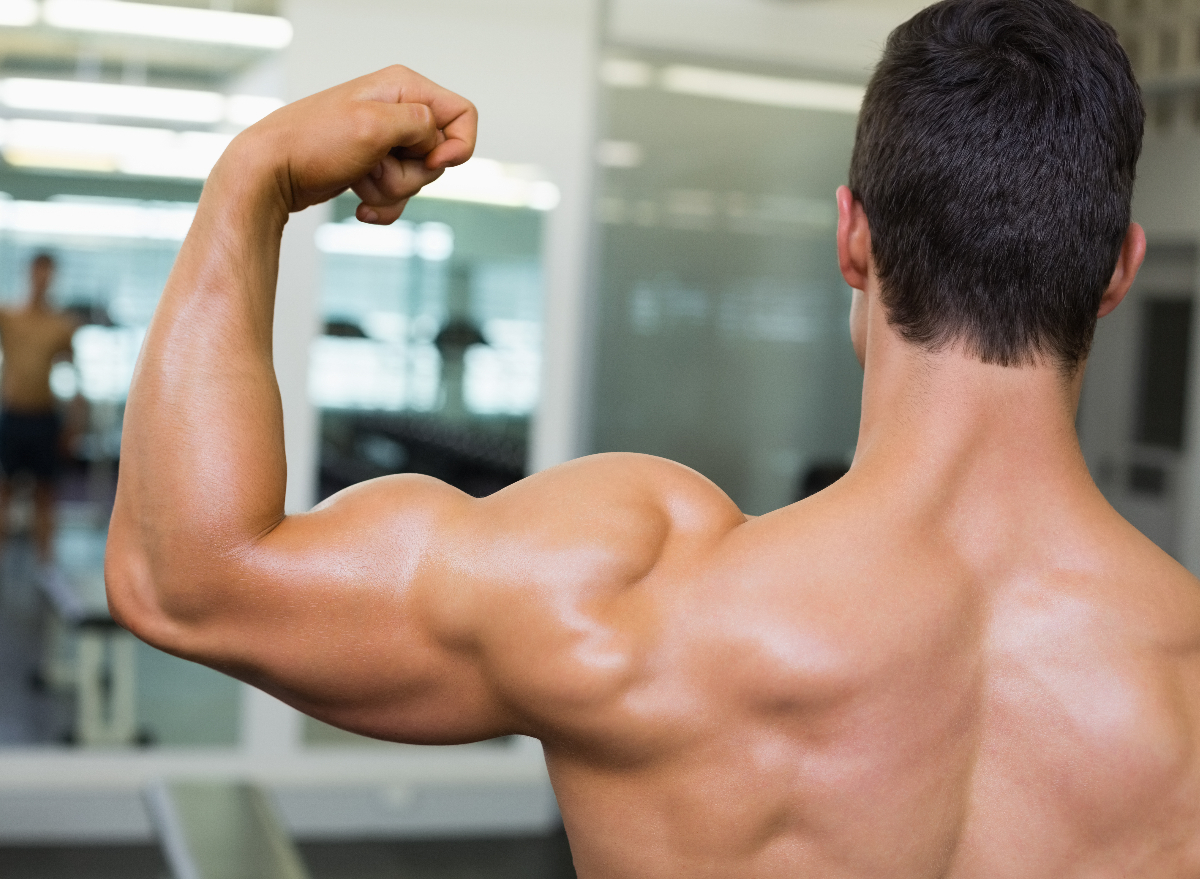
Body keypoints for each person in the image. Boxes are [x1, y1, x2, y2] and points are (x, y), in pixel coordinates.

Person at [106, 1, 1200, 875]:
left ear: (852, 237)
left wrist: (249, 184)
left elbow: (181, 576)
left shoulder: (636, 596)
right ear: (1116, 270)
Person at [0, 253, 77, 562]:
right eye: (38, 272)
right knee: (4, 491)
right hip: (13, 416)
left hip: (44, 418)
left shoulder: (61, 325)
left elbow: (73, 377)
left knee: (46, 495)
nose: (42, 278)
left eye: (48, 273)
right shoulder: (8, 317)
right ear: (29, 273)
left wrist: (74, 422)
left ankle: (46, 567)